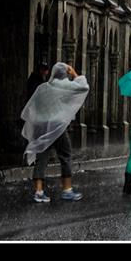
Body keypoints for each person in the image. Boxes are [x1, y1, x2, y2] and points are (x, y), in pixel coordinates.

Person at [21, 62, 89, 203]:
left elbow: (34, 107)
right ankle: (67, 189)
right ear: (65, 73)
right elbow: (83, 87)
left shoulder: (44, 87)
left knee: (42, 157)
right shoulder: (64, 85)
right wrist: (74, 73)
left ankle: (38, 191)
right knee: (65, 154)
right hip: (56, 126)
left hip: (41, 126)